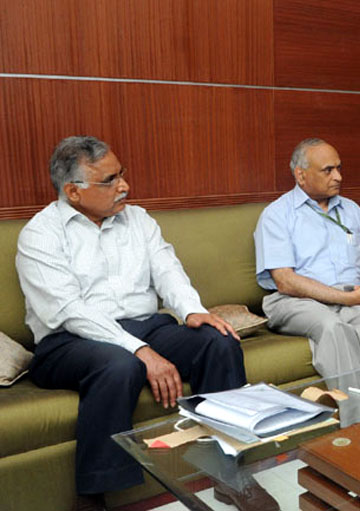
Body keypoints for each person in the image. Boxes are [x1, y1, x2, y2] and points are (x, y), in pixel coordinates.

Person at [16, 136, 255, 511]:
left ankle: (230, 472)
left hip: (145, 325)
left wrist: (192, 310)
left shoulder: (138, 219)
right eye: (109, 180)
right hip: (69, 341)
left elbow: (166, 268)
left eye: (122, 173)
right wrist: (141, 351)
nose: (124, 186)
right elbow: (69, 310)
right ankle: (93, 497)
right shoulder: (41, 234)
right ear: (73, 192)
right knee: (120, 364)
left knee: (217, 341)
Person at [254, 138, 360, 425]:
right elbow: (285, 281)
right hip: (297, 301)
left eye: (339, 169)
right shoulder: (277, 215)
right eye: (328, 170)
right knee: (332, 328)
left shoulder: (351, 209)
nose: (338, 177)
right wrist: (347, 298)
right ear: (300, 175)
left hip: (352, 296)